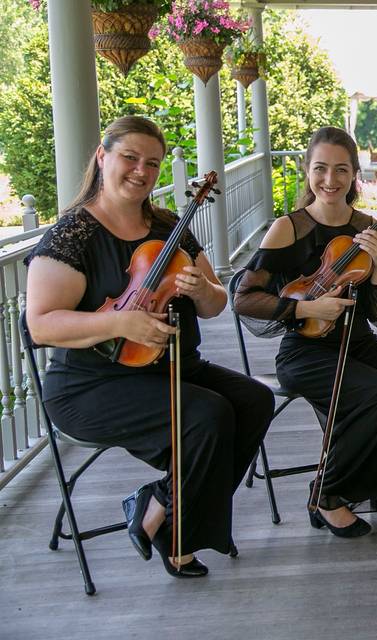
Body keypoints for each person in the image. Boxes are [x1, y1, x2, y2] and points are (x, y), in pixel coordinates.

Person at [24, 115, 275, 578]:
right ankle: (177, 535)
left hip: (174, 368)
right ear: (103, 157)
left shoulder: (168, 225)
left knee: (255, 400)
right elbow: (41, 325)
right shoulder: (74, 234)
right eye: (130, 158)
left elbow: (216, 303)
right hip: (93, 383)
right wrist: (121, 321)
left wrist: (201, 289)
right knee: (207, 416)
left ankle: (161, 503)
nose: (142, 170)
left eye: (153, 163)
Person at [233, 126, 377, 538]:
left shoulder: (367, 227)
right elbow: (245, 299)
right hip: (305, 350)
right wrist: (307, 306)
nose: (330, 180)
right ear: (307, 171)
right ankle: (326, 495)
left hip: (357, 341)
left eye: (341, 170)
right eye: (321, 168)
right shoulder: (288, 227)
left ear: (354, 174)